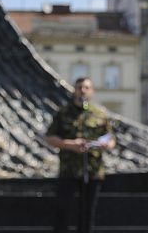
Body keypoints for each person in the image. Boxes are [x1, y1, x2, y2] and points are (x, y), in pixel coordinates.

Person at [45, 77, 116, 233]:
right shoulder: (63, 113)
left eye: (86, 87)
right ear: (74, 90)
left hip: (93, 170)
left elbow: (111, 139)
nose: (82, 90)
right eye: (79, 87)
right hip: (69, 169)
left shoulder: (100, 114)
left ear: (92, 91)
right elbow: (50, 137)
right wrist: (70, 144)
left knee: (87, 212)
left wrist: (105, 145)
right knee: (63, 210)